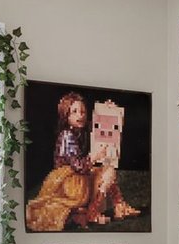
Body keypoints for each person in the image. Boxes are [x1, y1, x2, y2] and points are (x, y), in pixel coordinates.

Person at [24, 92, 139, 231]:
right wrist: (93, 157)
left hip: (78, 179)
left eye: (83, 111)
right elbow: (79, 166)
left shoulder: (81, 130)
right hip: (71, 183)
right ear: (66, 115)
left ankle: (118, 206)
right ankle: (94, 212)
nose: (80, 115)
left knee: (107, 171)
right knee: (108, 172)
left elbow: (100, 126)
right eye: (74, 112)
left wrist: (108, 110)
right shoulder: (67, 135)